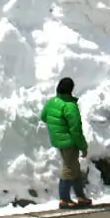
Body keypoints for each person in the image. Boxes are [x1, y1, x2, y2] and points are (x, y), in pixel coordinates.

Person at [40, 77, 92, 209]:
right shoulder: (70, 106)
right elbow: (76, 130)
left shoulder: (51, 102)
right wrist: (83, 146)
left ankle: (80, 196)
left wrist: (56, 128)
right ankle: (64, 198)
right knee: (69, 168)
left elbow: (43, 116)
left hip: (57, 139)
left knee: (74, 167)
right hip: (69, 141)